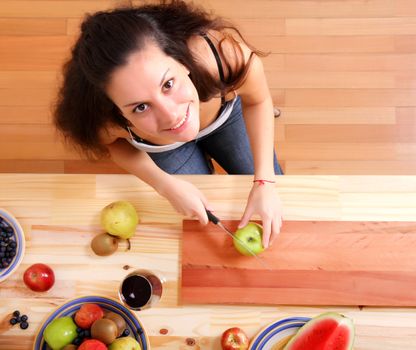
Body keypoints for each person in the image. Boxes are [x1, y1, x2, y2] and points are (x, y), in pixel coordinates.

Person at [53, 0, 283, 247]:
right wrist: (164, 185)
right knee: (199, 208)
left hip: (225, 117)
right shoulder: (105, 120)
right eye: (140, 107)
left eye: (168, 84)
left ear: (182, 61)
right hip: (165, 148)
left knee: (274, 190)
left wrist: (264, 181)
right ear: (119, 111)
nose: (172, 116)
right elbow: (116, 146)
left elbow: (257, 102)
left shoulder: (223, 56)